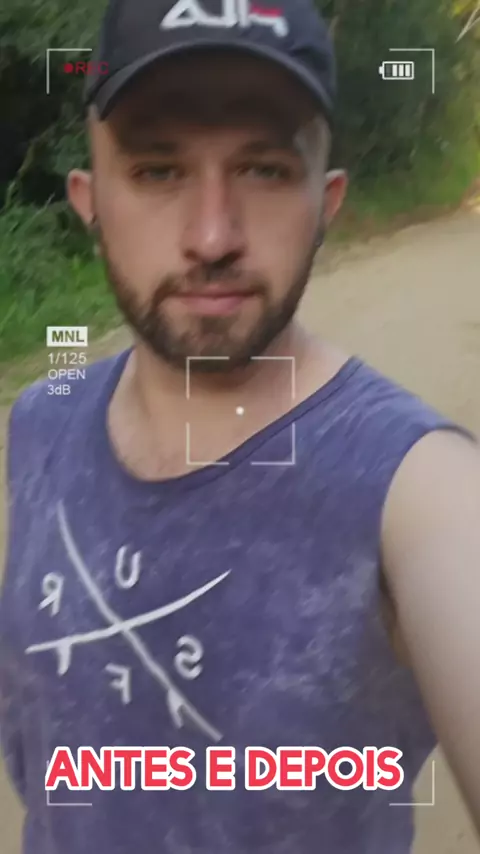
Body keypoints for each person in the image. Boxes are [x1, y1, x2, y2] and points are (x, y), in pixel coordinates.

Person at [1, 0, 479, 852]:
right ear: (90, 200)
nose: (213, 236)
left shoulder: (418, 488)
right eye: (157, 171)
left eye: (264, 169)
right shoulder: (41, 423)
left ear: (327, 201)